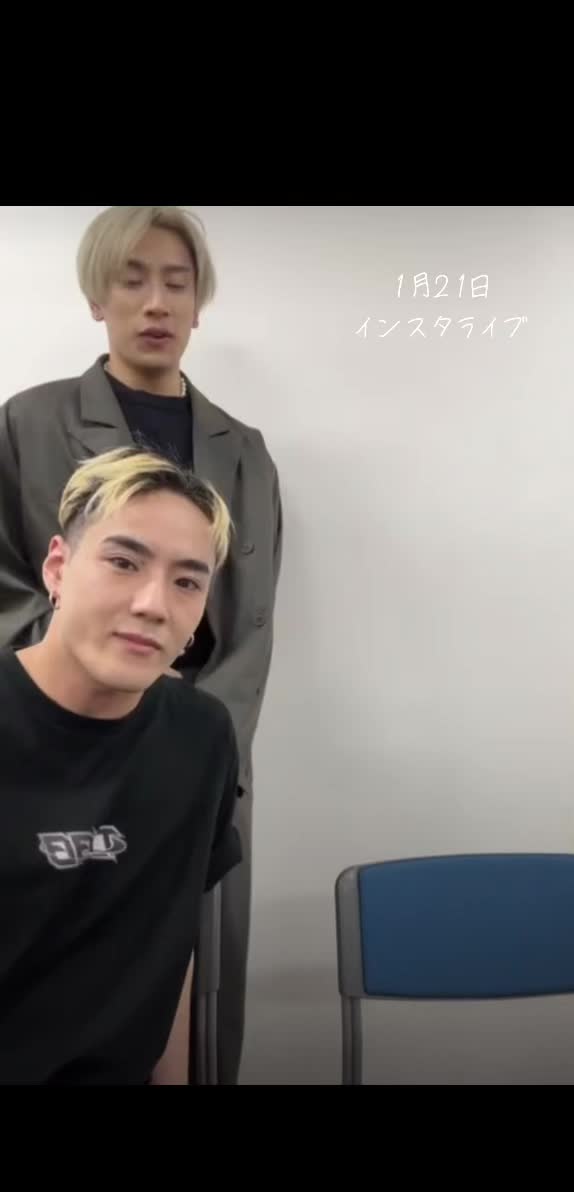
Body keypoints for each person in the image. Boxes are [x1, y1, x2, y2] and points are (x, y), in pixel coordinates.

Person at [0, 205, 283, 1084]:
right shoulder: (28, 422)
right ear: (98, 297)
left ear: (198, 304)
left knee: (177, 977)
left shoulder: (246, 450)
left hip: (187, 752)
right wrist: (98, 693)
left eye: (176, 283)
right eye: (132, 279)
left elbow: (250, 618)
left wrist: (196, 738)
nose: (156, 302)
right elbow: (9, 580)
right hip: (50, 739)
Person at [0, 445, 241, 1086]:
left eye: (187, 582)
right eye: (123, 562)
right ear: (58, 568)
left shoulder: (201, 738)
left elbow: (167, 949)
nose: (153, 604)